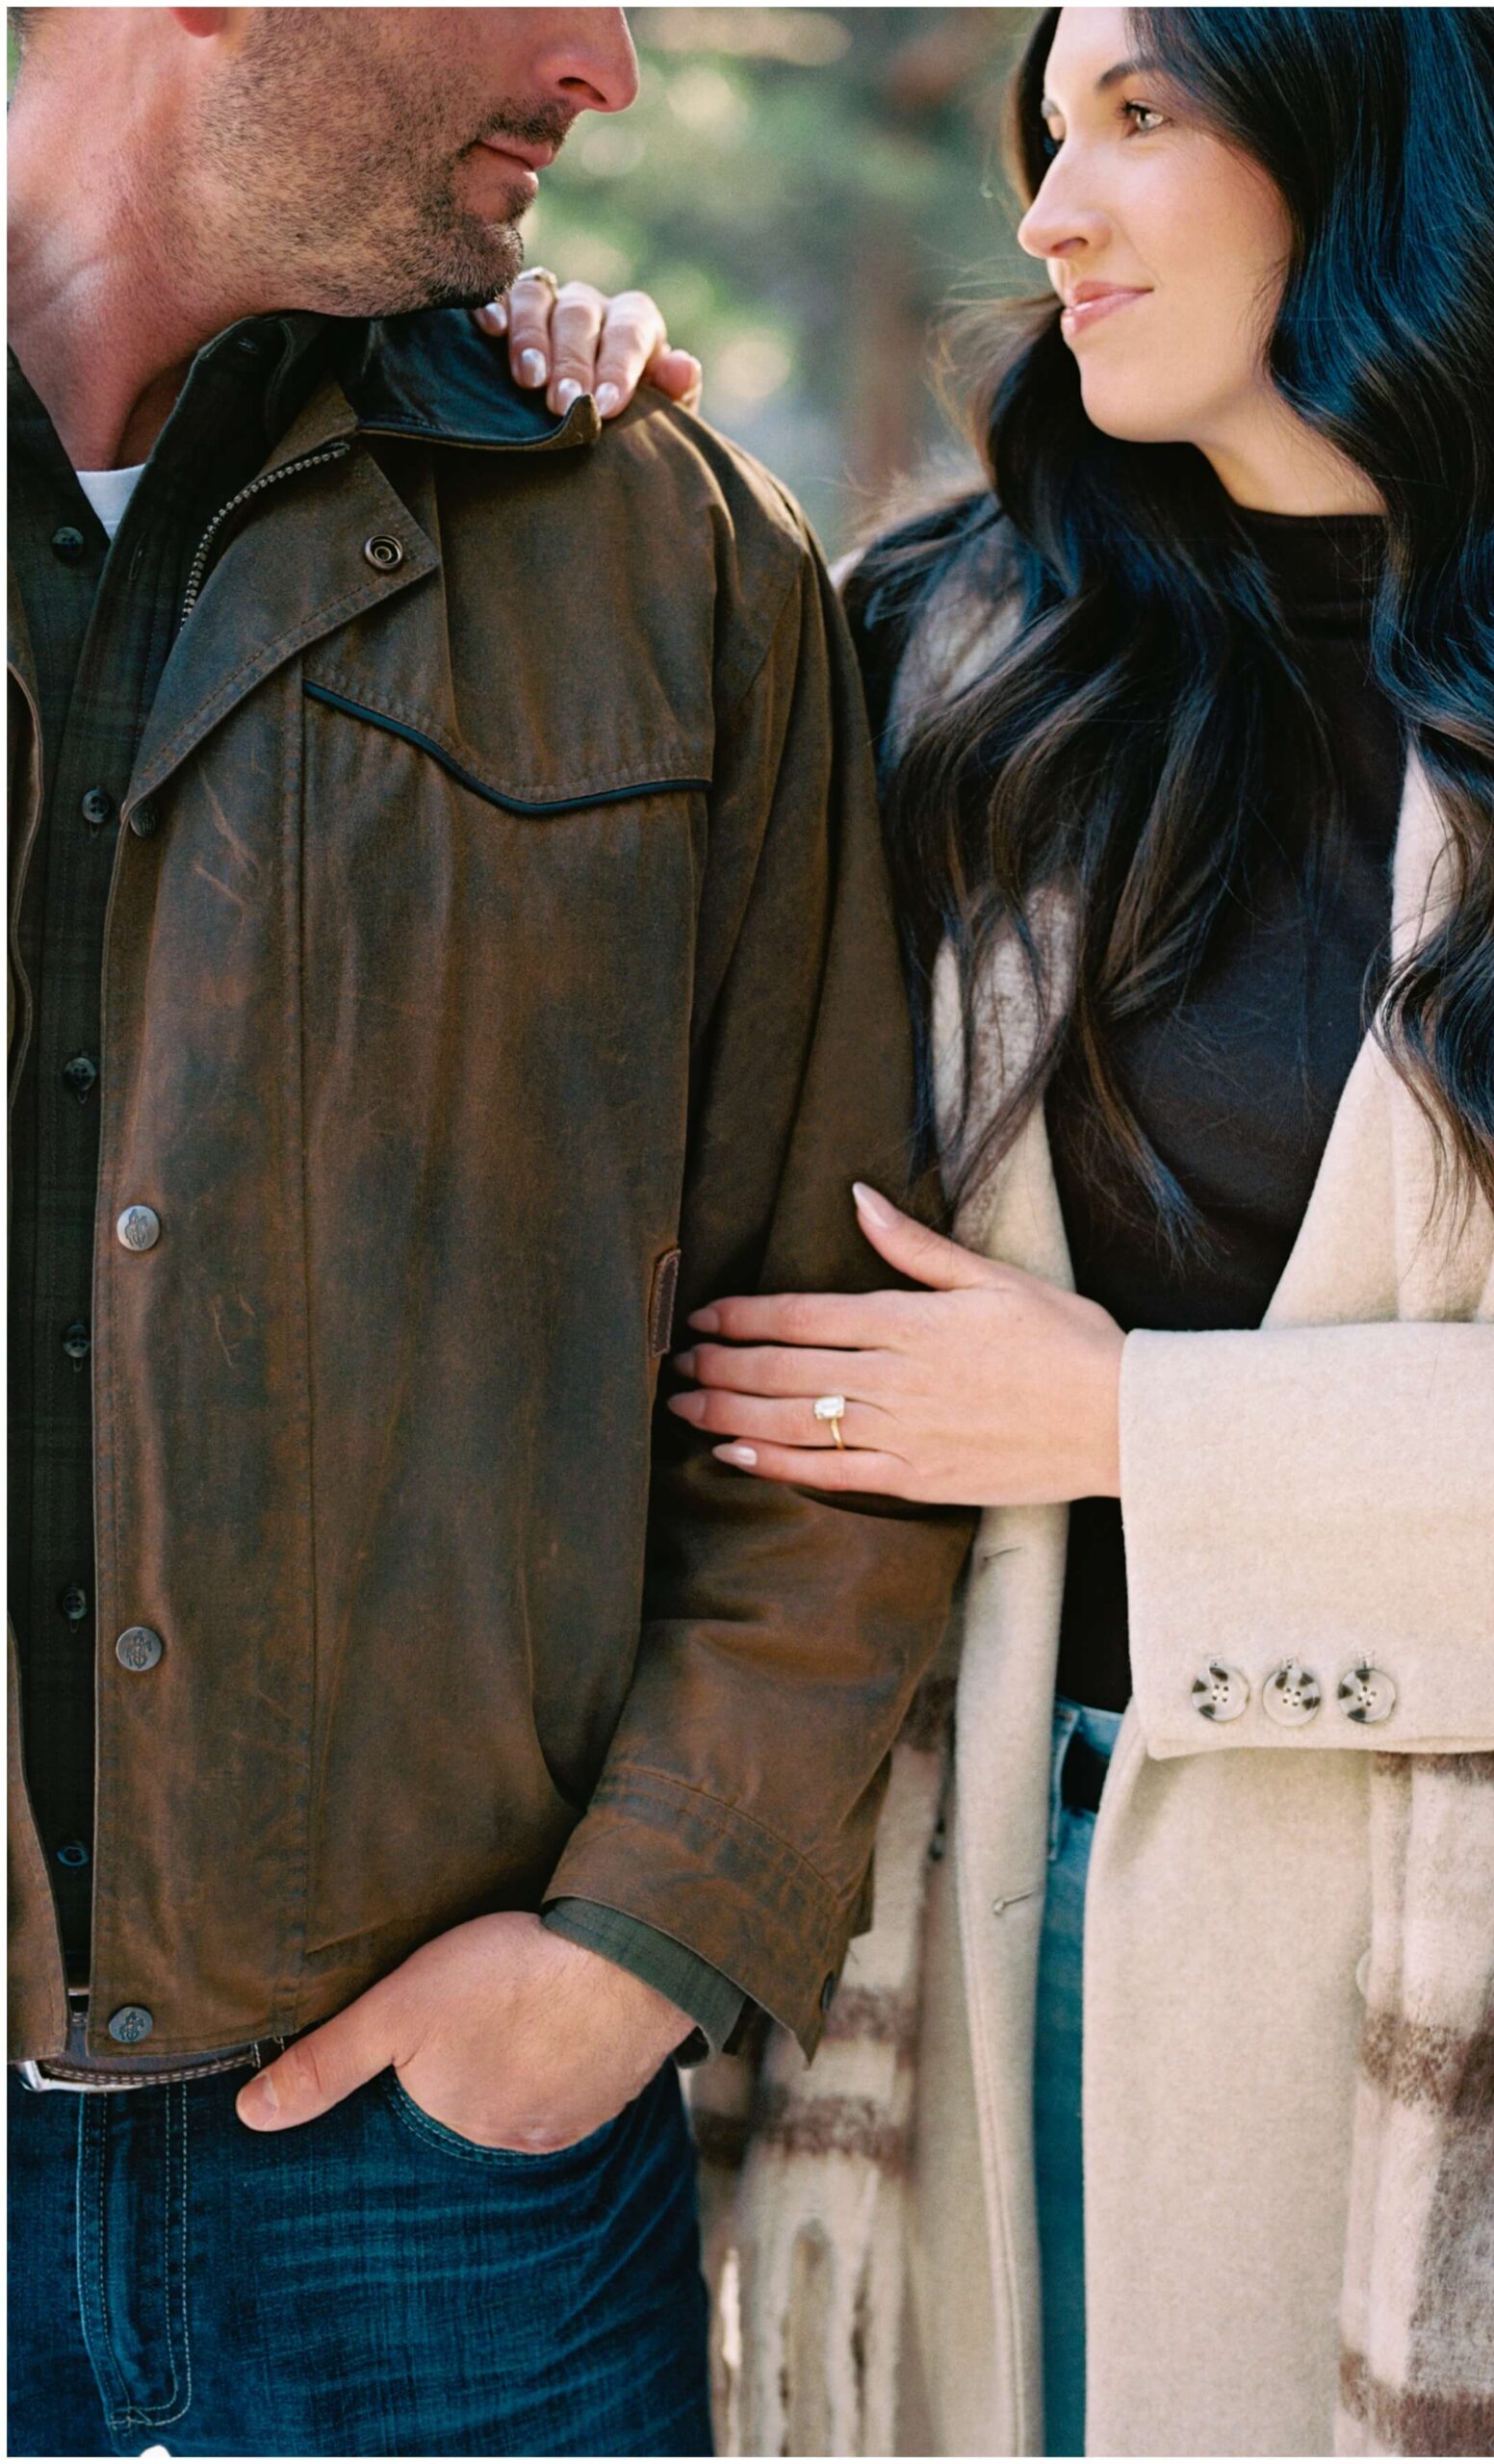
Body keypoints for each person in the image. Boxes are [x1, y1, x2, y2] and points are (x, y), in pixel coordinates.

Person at [488, 7, 1494, 2453]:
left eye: (1139, 115)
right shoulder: (956, 659)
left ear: (1384, 139)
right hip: (1006, 1916)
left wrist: (1130, 1425)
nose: (1046, 213)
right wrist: (530, 451)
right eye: (1041, 131)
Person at [6, 9, 972, 2456]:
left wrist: (628, 1952)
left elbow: (826, 1356)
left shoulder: (669, 554)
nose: (609, 62)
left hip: (441, 2182)